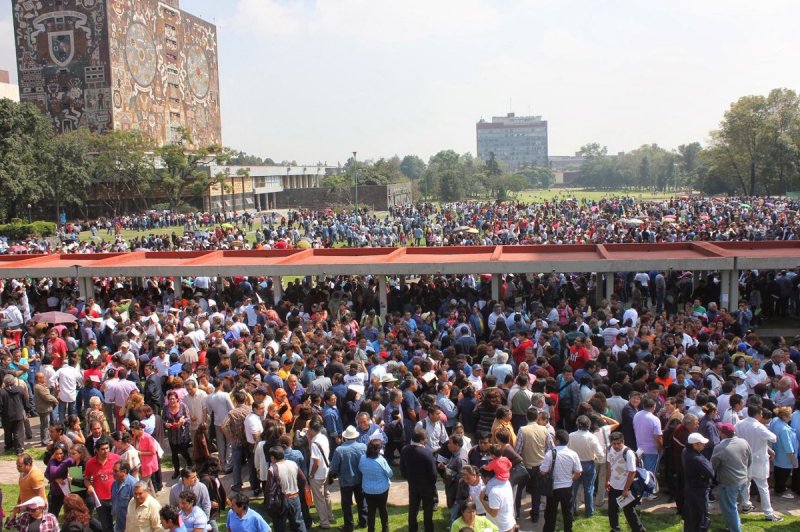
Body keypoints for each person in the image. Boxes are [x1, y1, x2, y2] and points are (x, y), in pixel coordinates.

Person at [735, 404, 782, 521]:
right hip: (758, 460)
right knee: (763, 487)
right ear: (758, 414)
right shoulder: (758, 426)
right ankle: (769, 514)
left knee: (746, 483)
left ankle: (746, 504)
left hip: (744, 459)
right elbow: (773, 438)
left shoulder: (739, 424)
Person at [711, 423, 752, 532]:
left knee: (730, 508)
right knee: (732, 506)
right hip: (743, 480)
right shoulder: (744, 442)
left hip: (728, 483)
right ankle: (732, 525)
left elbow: (713, 466)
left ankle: (735, 529)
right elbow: (750, 460)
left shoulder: (719, 447)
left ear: (723, 434)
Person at [540, 429, 582, 532]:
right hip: (567, 488)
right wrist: (571, 480)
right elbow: (578, 472)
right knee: (567, 512)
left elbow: (543, 471)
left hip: (553, 489)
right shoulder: (573, 454)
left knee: (550, 514)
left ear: (557, 440)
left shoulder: (550, 454)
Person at [514, 407, 550, 523]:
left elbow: (517, 450)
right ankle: (535, 515)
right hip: (540, 465)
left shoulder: (522, 430)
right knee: (537, 491)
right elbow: (551, 448)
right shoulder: (544, 430)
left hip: (525, 466)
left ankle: (517, 512)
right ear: (537, 417)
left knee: (519, 489)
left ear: (526, 417)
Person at [605, 431, 645, 532]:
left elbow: (632, 472)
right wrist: (607, 480)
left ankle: (639, 530)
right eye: (614, 443)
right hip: (613, 486)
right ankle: (615, 529)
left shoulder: (628, 453)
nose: (616, 446)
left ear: (623, 441)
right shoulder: (610, 450)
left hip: (625, 488)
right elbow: (609, 466)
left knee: (629, 512)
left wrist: (625, 489)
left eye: (619, 443)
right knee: (612, 510)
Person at [330, 425, 367, 532]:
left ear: (345, 437)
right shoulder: (363, 447)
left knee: (347, 505)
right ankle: (364, 521)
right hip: (360, 479)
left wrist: (333, 474)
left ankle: (349, 526)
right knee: (361, 502)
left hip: (346, 481)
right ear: (355, 436)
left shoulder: (339, 450)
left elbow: (334, 467)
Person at [400, 428, 437, 532]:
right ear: (422, 440)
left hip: (413, 485)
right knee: (428, 510)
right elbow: (433, 473)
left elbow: (402, 468)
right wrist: (431, 483)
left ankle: (412, 529)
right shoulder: (427, 452)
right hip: (427, 486)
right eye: (426, 438)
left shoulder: (405, 449)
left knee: (413, 509)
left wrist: (408, 478)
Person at [567, 415, 604, 517]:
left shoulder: (571, 436)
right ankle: (589, 512)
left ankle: (571, 510)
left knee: (573, 489)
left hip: (574, 465)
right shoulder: (592, 437)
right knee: (588, 489)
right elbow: (600, 454)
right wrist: (597, 458)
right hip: (588, 464)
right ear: (589, 425)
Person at [264, 445, 306, 532]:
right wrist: (299, 491)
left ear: (273, 457)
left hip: (281, 501)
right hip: (295, 497)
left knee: (279, 525)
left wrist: (268, 503)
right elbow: (303, 479)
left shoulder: (272, 469)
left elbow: (269, 489)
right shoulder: (293, 464)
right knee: (298, 523)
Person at [84, 437, 121, 531]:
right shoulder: (90, 463)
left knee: (121, 524)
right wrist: (89, 486)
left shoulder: (116, 459)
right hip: (100, 501)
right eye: (102, 449)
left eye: (107, 448)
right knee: (106, 526)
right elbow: (86, 479)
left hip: (116, 497)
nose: (106, 451)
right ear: (96, 450)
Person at [358, 439, 393, 532]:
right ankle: (385, 529)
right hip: (382, 490)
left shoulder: (362, 458)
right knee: (383, 510)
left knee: (371, 510)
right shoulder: (381, 460)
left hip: (368, 490)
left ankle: (371, 529)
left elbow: (360, 468)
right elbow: (390, 474)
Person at [631, 396, 662, 500]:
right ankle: (648, 493)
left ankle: (642, 492)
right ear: (654, 407)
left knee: (641, 471)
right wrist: (660, 448)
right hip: (651, 450)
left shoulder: (637, 415)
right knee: (650, 472)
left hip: (639, 448)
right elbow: (658, 437)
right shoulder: (655, 419)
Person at [682, 432, 714, 532]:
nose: (704, 445)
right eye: (702, 443)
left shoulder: (685, 451)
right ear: (695, 445)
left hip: (690, 489)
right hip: (699, 491)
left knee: (690, 516)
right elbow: (711, 473)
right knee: (700, 517)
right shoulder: (697, 459)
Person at [307, 421, 334, 529]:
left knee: (319, 499)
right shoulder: (323, 437)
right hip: (326, 470)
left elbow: (316, 462)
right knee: (326, 494)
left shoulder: (315, 443)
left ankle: (324, 523)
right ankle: (330, 515)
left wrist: (312, 474)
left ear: (312, 430)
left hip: (318, 474)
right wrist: (309, 440)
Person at [479, 457, 516, 532]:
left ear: (486, 478)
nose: (482, 481)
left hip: (502, 528)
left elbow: (493, 514)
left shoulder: (494, 492)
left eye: (482, 478)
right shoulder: (506, 482)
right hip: (509, 523)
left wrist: (481, 500)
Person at [770, 406, 798, 499]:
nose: (791, 417)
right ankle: (780, 491)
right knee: (783, 475)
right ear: (784, 416)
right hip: (785, 458)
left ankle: (779, 489)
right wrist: (793, 460)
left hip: (778, 454)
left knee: (778, 473)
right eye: (789, 415)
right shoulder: (784, 429)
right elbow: (788, 448)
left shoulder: (775, 420)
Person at [164, 390, 193, 478]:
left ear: (177, 399)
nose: (172, 401)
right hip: (172, 434)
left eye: (173, 399)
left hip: (182, 434)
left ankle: (190, 467)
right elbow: (163, 420)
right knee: (174, 454)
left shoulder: (183, 406)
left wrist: (183, 420)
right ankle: (176, 471)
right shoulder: (166, 408)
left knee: (184, 452)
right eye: (170, 399)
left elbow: (188, 418)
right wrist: (166, 424)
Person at [111, 461, 137, 532]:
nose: (113, 473)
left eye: (115, 471)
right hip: (118, 524)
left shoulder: (133, 485)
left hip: (130, 526)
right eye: (113, 470)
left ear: (124, 471)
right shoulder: (114, 484)